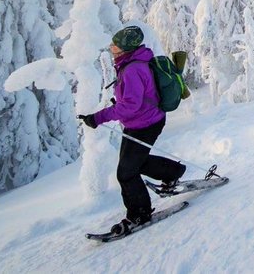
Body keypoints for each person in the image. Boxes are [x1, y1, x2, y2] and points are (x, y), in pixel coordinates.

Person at [79, 26, 185, 236]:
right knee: (136, 163)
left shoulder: (132, 69)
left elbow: (130, 106)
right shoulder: (131, 63)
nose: (111, 48)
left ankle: (139, 214)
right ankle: (173, 172)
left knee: (126, 173)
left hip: (145, 124)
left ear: (126, 48)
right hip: (140, 123)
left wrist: (97, 118)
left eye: (115, 45)